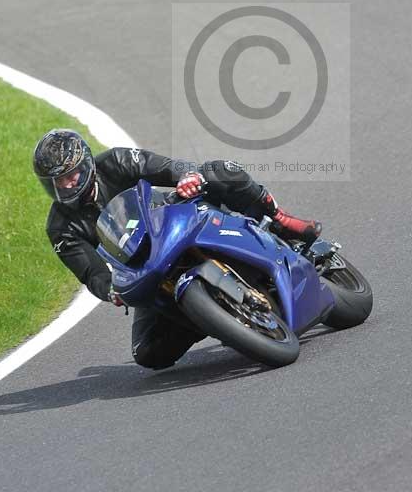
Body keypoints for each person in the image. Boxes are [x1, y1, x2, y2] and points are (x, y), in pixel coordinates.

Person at [33, 128, 321, 371]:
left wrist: (186, 177)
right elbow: (91, 273)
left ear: (86, 164)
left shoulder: (115, 161)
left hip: (171, 221)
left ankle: (280, 220)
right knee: (147, 354)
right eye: (57, 181)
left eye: (70, 174)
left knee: (219, 172)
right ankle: (209, 319)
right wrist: (111, 291)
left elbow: (166, 167)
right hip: (144, 265)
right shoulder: (60, 228)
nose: (66, 184)